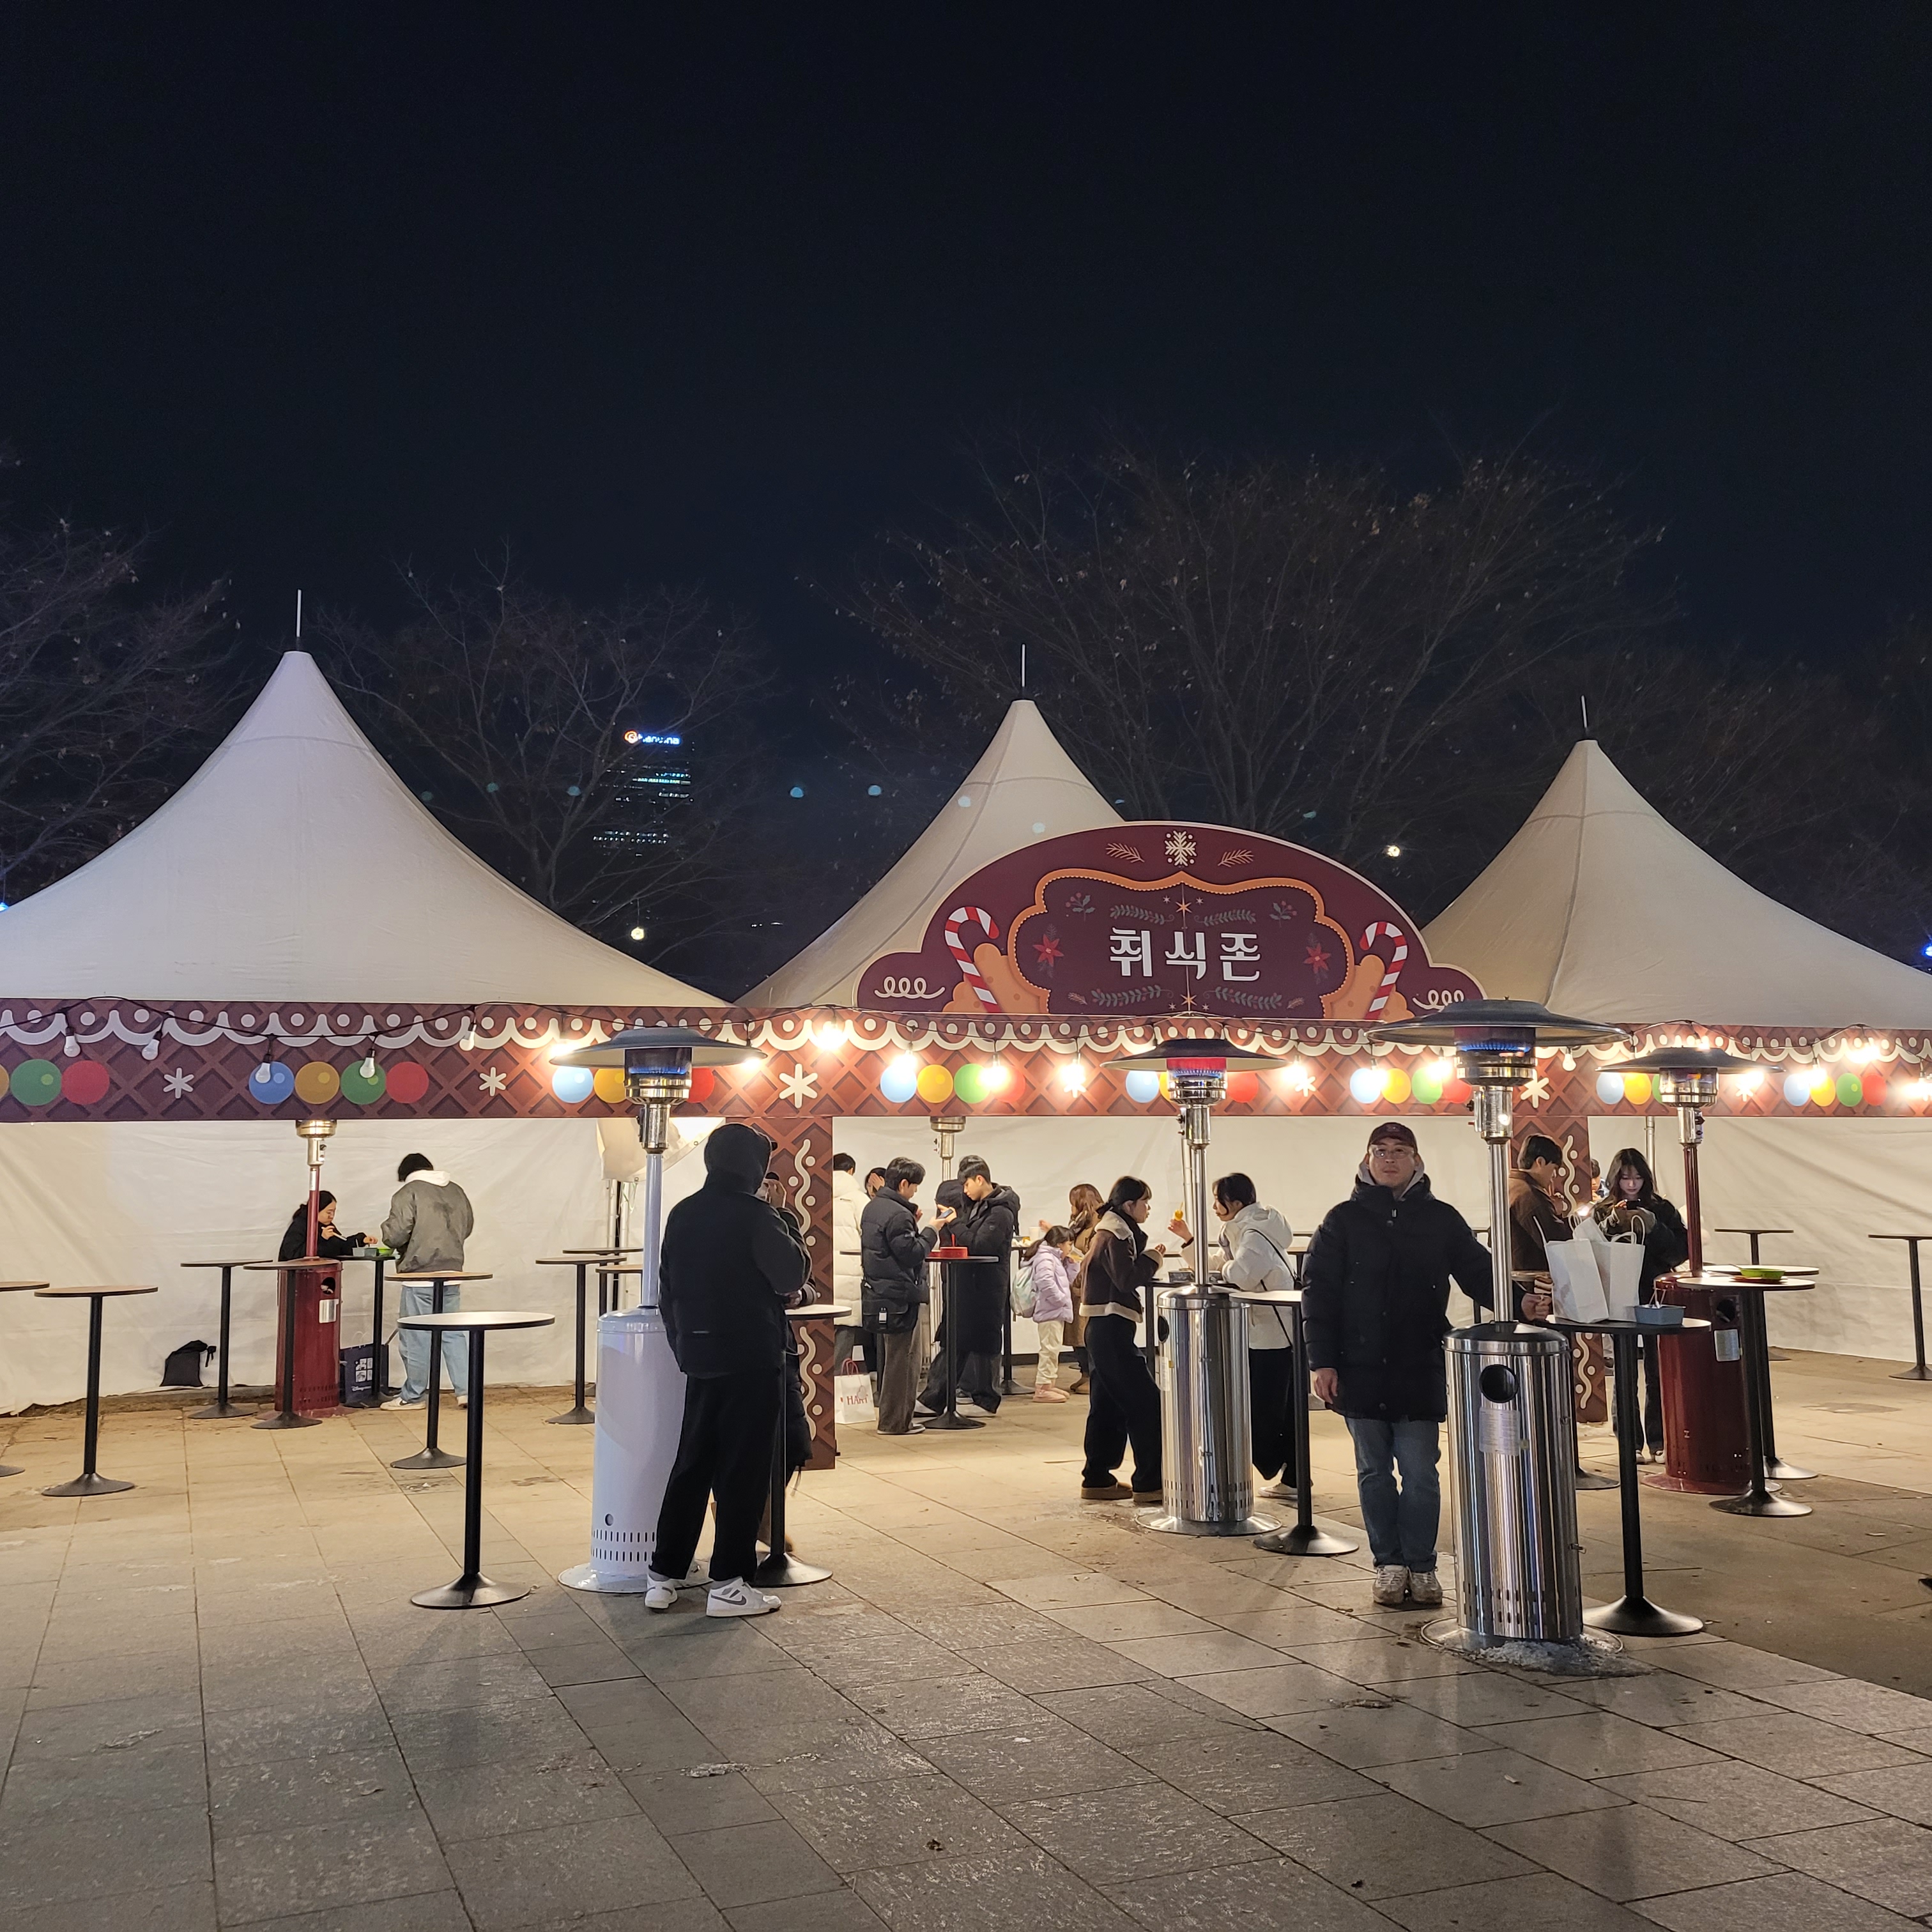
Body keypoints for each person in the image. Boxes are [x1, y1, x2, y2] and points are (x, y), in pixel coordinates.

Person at [1303, 1122, 1547, 1608]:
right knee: (1373, 1471)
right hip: (1359, 1365)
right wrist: (1322, 1361)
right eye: (1380, 1151)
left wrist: (1519, 1301)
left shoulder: (1440, 1219)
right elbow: (1319, 1293)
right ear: (1367, 1160)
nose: (1390, 1159)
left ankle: (1422, 1564)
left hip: (1418, 1363)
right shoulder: (1342, 1221)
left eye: (1400, 1151)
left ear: (1417, 1160)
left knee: (1420, 1472)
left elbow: (1479, 1270)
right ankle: (1388, 1564)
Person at [643, 1122, 811, 1618]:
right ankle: (730, 1584)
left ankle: (663, 1574)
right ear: (753, 1167)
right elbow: (791, 1273)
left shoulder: (684, 1213)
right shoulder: (757, 1215)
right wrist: (783, 1215)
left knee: (692, 1464)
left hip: (699, 1355)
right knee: (743, 1470)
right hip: (751, 1357)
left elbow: (667, 1288)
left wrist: (684, 1346)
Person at [1170, 1172, 1297, 1498]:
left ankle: (1286, 1471)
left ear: (1236, 1203)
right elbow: (1223, 1263)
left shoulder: (1254, 1233)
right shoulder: (1246, 1228)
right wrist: (1189, 1241)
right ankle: (1294, 1478)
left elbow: (1241, 1274)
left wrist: (1224, 1272)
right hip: (1266, 1331)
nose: (1214, 1207)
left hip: (1272, 1334)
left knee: (1265, 1411)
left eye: (1218, 1200)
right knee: (1279, 1410)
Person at [1592, 1146, 1690, 1460]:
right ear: (1615, 1179)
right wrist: (1610, 1225)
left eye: (1637, 1178)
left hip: (1655, 1294)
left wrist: (1654, 1227)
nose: (1632, 1185)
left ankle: (1660, 1440)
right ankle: (1629, 1441)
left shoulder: (1662, 1209)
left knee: (1658, 1370)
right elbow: (1592, 1250)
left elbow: (1681, 1252)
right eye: (1625, 1178)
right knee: (1624, 1371)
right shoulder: (1602, 1210)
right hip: (1619, 1295)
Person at [1078, 1176, 1167, 1503]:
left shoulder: (1106, 1230)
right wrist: (1153, 1258)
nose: (1148, 1209)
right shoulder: (1116, 1233)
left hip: (1102, 1327)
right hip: (1112, 1328)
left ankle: (1097, 1478)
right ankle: (1149, 1483)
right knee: (1147, 1404)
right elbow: (1126, 1279)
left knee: (1107, 1406)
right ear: (1129, 1205)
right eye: (1145, 1202)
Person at [861, 1156, 954, 1433]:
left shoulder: (873, 1207)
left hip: (880, 1293)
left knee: (891, 1360)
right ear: (903, 1184)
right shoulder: (898, 1214)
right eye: (914, 1187)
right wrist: (932, 1229)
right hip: (901, 1295)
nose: (915, 1192)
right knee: (904, 1362)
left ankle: (891, 1420)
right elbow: (912, 1254)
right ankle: (896, 1422)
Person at [919, 1155, 1018, 1417]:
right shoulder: (979, 1207)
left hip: (986, 1287)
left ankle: (985, 1399)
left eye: (967, 1185)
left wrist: (955, 1223)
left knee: (983, 1342)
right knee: (957, 1340)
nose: (964, 1191)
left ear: (980, 1179)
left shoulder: (1001, 1212)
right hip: (967, 1284)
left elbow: (979, 1245)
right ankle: (935, 1399)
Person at [379, 1153, 476, 1411]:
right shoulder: (456, 1190)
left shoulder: (408, 1192)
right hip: (452, 1272)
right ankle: (467, 1391)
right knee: (453, 1335)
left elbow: (396, 1234)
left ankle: (413, 1396)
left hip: (420, 1276)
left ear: (406, 1174)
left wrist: (386, 1233)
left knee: (416, 1338)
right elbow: (467, 1227)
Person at [1036, 1182, 1105, 1394]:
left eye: (1073, 1204)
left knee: (1087, 1334)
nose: (1071, 1209)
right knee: (1077, 1334)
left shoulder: (1098, 1226)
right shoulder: (1079, 1224)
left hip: (1088, 1287)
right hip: (1075, 1286)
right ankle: (1085, 1374)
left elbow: (1089, 1255)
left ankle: (1094, 1377)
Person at [1026, 1226, 1080, 1402]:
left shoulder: (1055, 1259)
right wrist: (1061, 1300)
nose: (1070, 1248)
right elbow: (1045, 1281)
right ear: (1059, 1244)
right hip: (1050, 1311)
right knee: (1049, 1350)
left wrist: (1073, 1264)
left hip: (1055, 1310)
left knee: (1053, 1349)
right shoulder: (1046, 1258)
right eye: (1069, 1244)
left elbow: (1068, 1281)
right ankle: (1042, 1389)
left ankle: (1049, 1384)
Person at [277, 1190, 366, 1262]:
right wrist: (323, 1239)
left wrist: (361, 1240)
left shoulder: (327, 1226)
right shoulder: (299, 1226)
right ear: (316, 1210)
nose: (332, 1216)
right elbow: (294, 1255)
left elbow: (340, 1246)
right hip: (299, 1275)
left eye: (334, 1212)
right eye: (329, 1212)